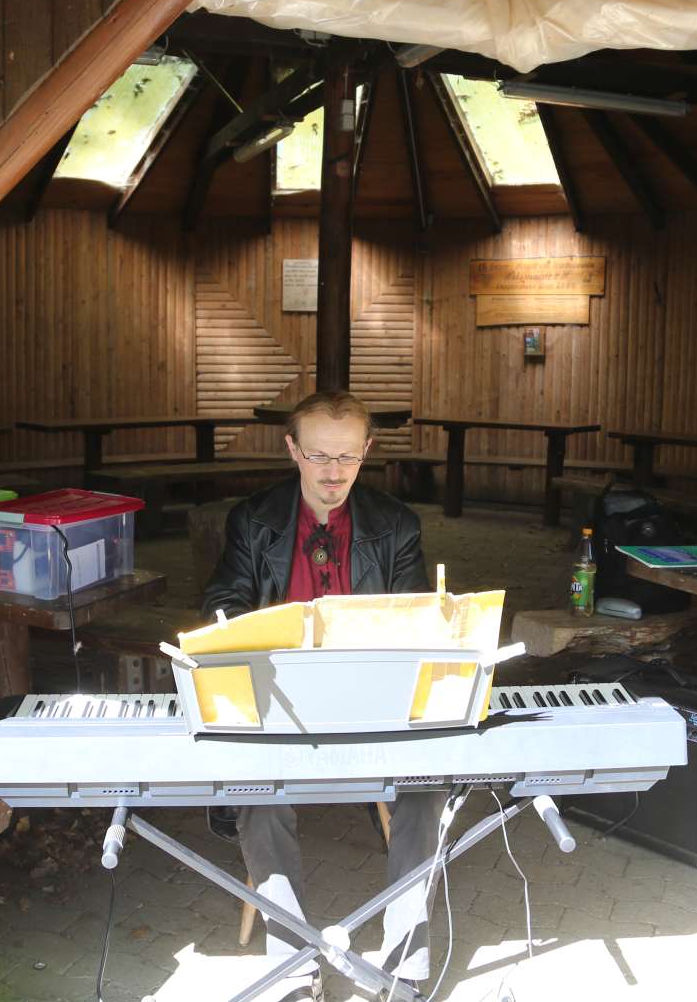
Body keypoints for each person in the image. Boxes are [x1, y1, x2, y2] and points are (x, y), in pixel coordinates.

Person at [202, 390, 442, 1002]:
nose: (333, 473)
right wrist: (242, 627)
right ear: (291, 450)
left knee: (425, 789)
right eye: (317, 456)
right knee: (256, 790)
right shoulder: (253, 519)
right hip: (282, 698)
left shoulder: (397, 525)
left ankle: (403, 967)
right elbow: (220, 601)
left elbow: (418, 618)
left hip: (373, 700)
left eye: (347, 457)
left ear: (366, 451)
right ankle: (293, 966)